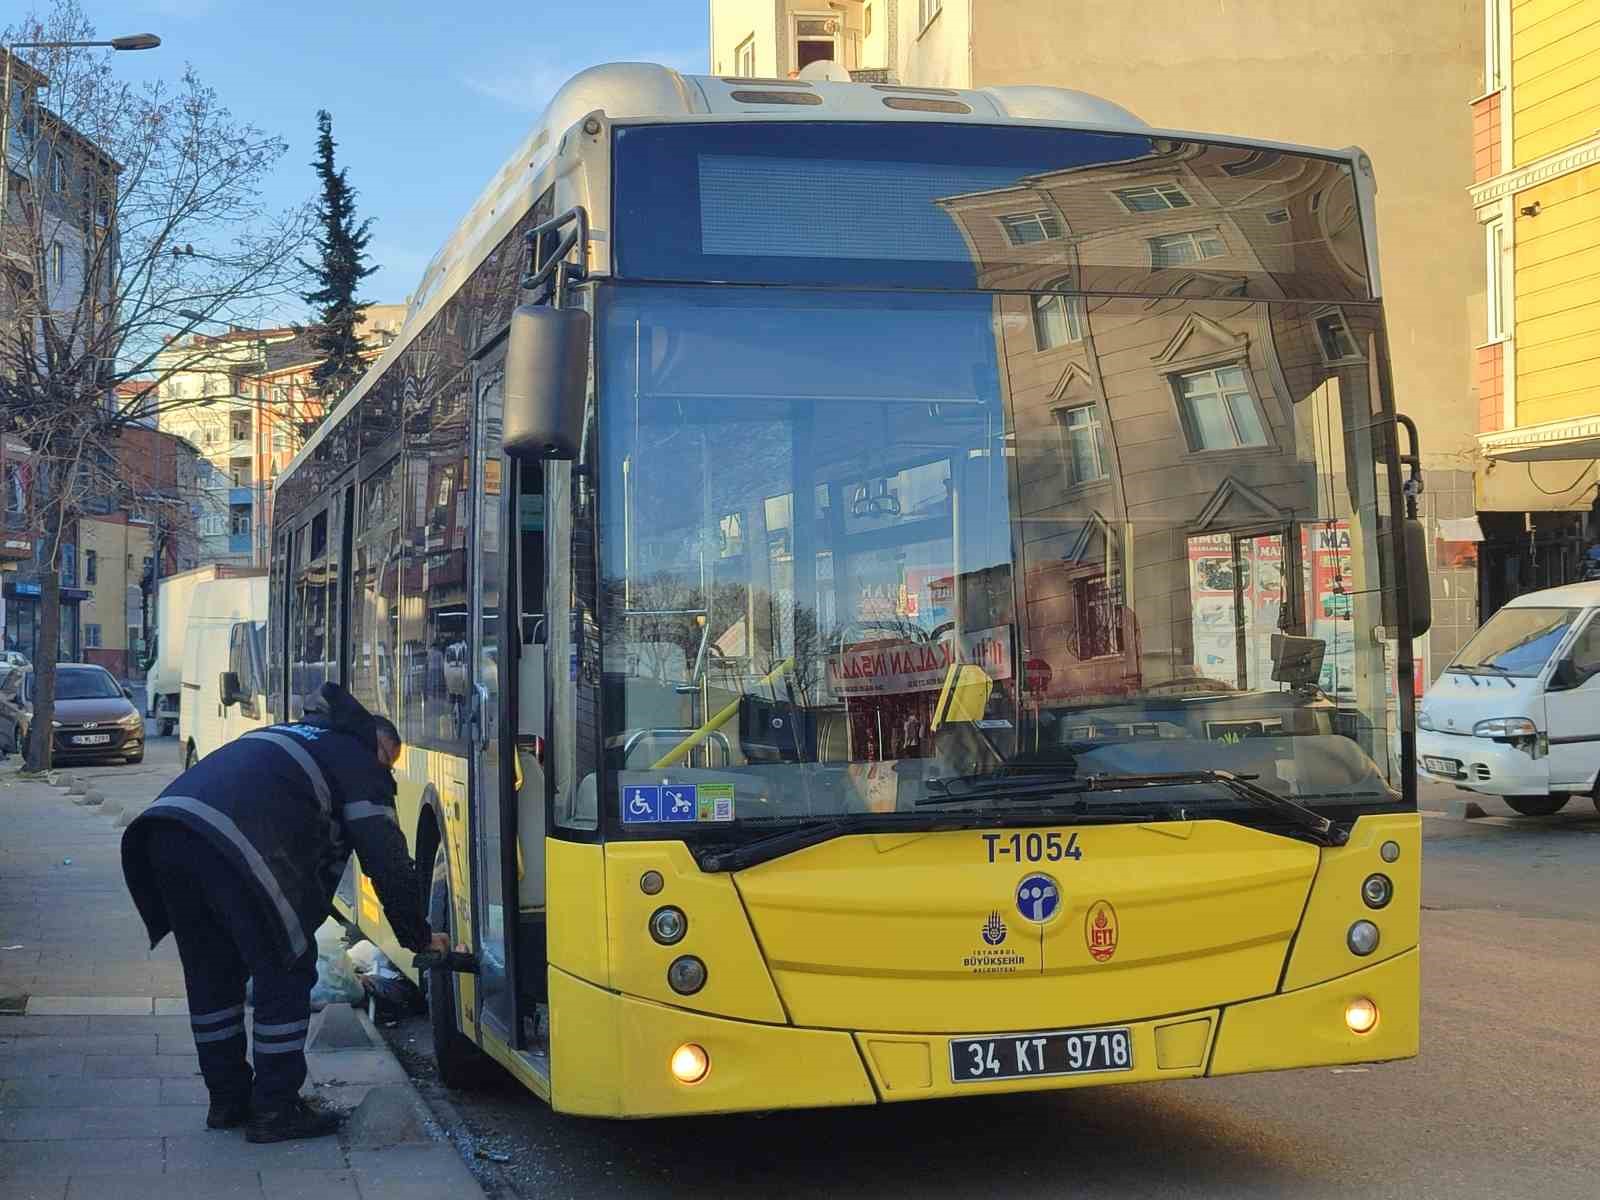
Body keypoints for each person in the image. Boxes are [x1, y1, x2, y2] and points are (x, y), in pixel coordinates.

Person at [121, 682, 448, 1143]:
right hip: (226, 843)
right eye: (389, 761)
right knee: (285, 964)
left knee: (212, 972)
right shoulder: (357, 758)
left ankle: (228, 1100)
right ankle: (275, 1108)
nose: (386, 772)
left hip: (164, 833)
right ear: (376, 742)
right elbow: (387, 859)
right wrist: (419, 936)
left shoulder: (293, 735)